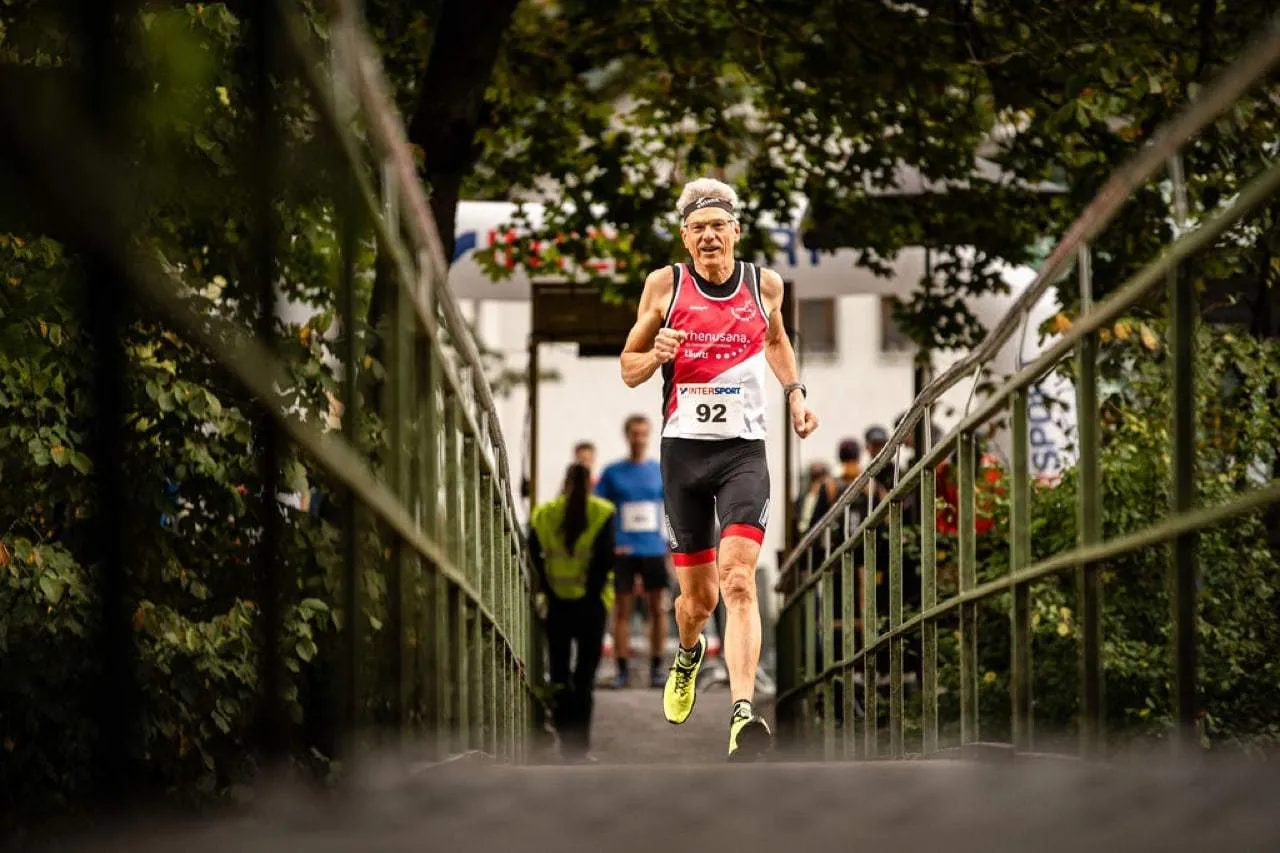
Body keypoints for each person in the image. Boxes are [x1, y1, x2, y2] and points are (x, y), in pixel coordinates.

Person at [619, 176, 819, 761]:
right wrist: (655, 353)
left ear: (735, 230)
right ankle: (687, 652)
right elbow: (629, 368)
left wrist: (796, 393)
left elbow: (777, 341)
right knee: (697, 602)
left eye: (718, 226)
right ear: (686, 237)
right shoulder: (665, 286)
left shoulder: (766, 285)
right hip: (683, 453)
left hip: (742, 453)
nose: (709, 236)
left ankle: (741, 713)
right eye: (698, 228)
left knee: (738, 580)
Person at [528, 463, 616, 761]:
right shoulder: (602, 512)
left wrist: (549, 590)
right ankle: (580, 747)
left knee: (560, 673)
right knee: (585, 679)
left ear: (564, 482)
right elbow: (605, 562)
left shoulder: (544, 514)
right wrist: (591, 596)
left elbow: (532, 555)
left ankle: (564, 742)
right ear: (590, 484)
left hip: (557, 605)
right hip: (592, 606)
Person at [595, 414, 670, 690]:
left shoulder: (658, 471)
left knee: (658, 610)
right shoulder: (613, 473)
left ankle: (657, 669)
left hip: (653, 548)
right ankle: (622, 670)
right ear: (627, 436)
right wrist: (608, 543)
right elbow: (598, 509)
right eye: (634, 433)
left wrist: (671, 547)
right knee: (622, 611)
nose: (638, 438)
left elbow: (671, 510)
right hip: (624, 549)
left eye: (643, 433)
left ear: (648, 435)